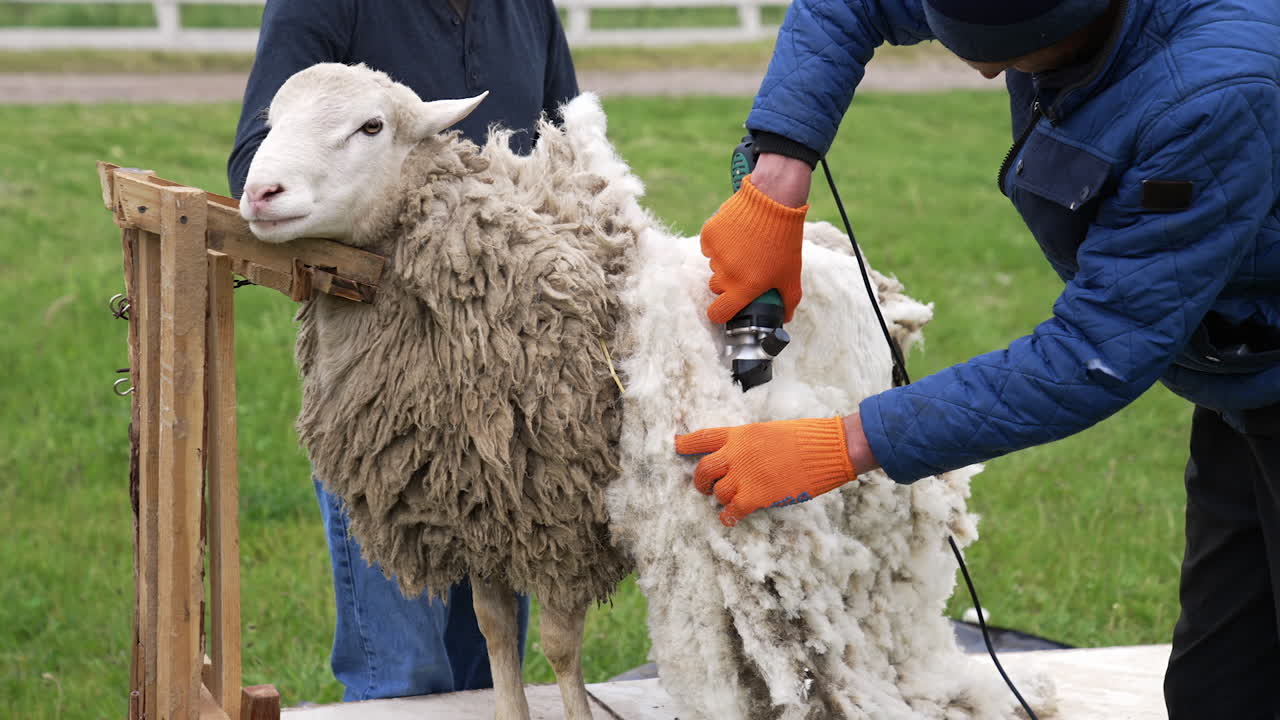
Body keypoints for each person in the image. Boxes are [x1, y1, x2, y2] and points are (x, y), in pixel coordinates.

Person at [675, 1, 1280, 717]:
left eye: (1000, 57)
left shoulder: (1212, 95)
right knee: (1221, 688)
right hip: (1243, 376)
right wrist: (778, 173)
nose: (980, 69)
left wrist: (843, 443)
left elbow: (1094, 353)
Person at [226, 0, 578, 702]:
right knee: (406, 673)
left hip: (502, 389)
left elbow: (562, 151)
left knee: (489, 657)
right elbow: (254, 171)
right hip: (384, 392)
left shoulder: (525, 9)